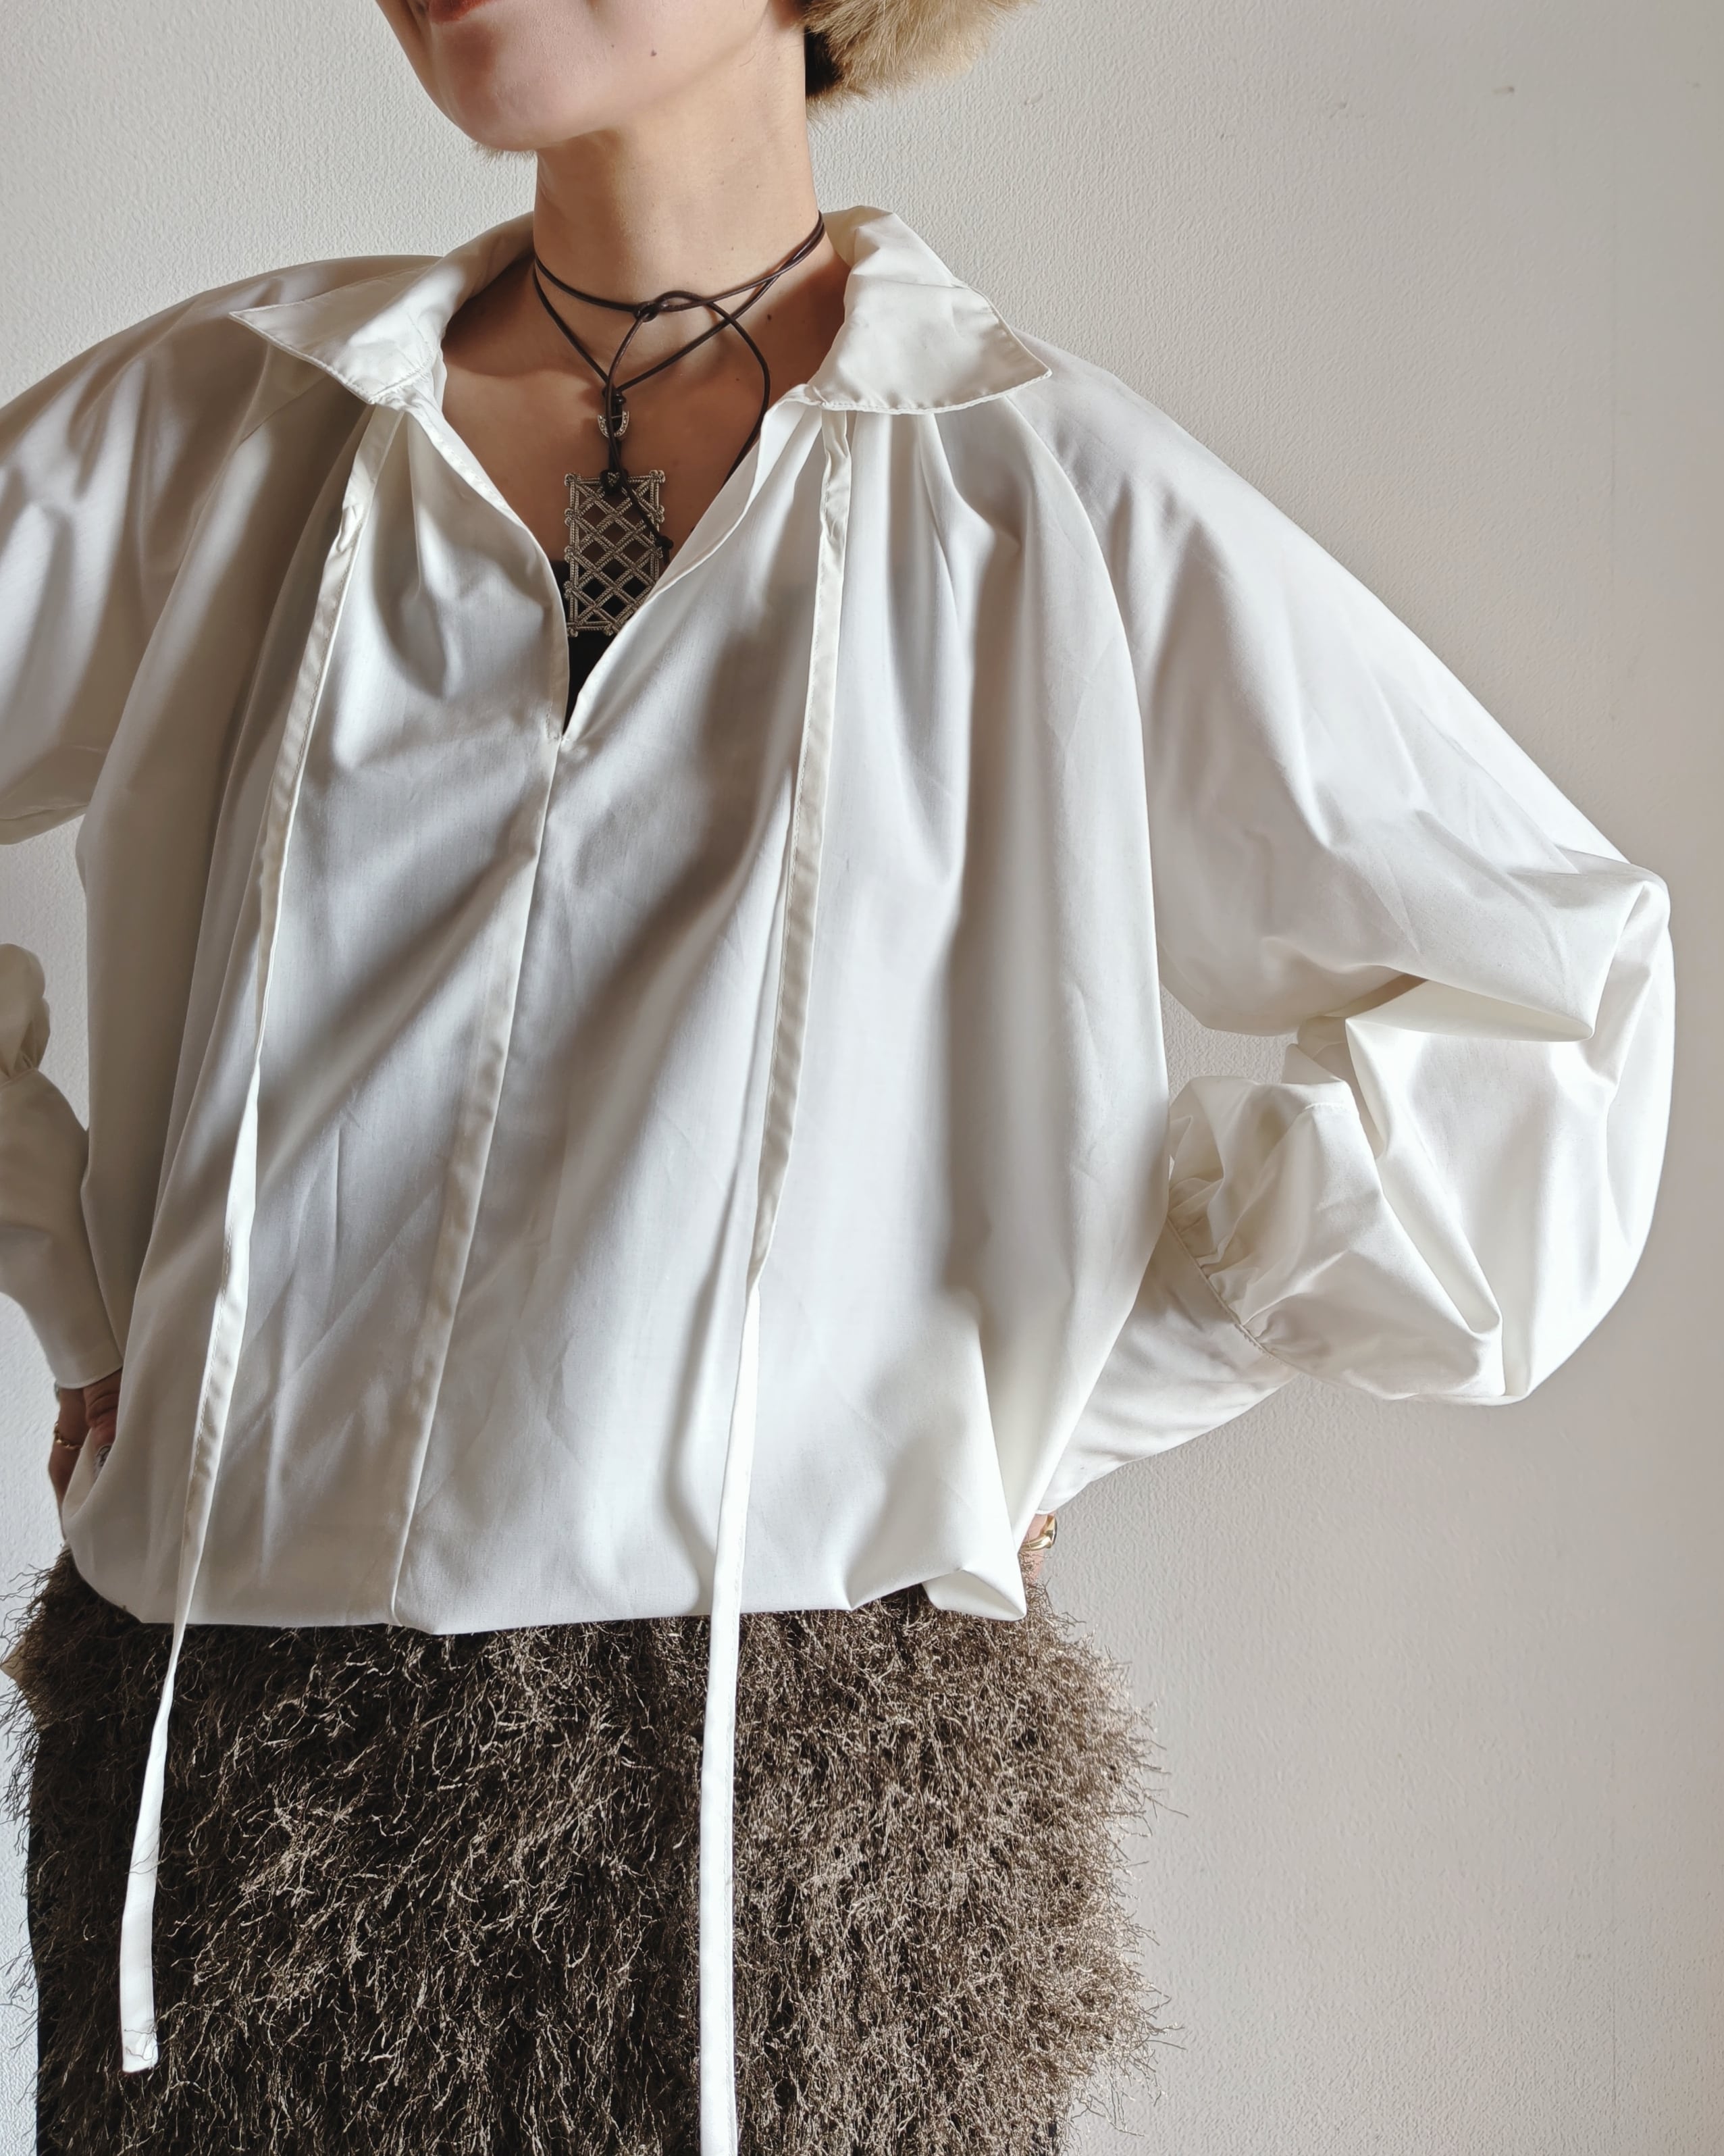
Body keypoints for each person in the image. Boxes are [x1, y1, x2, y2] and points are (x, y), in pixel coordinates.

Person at [0, 0, 1675, 2149]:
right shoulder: (234, 422)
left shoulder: (1036, 492)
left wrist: (1051, 1383)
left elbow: (1550, 1005)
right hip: (223, 1781)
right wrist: (76, 1279)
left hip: (803, 1813)